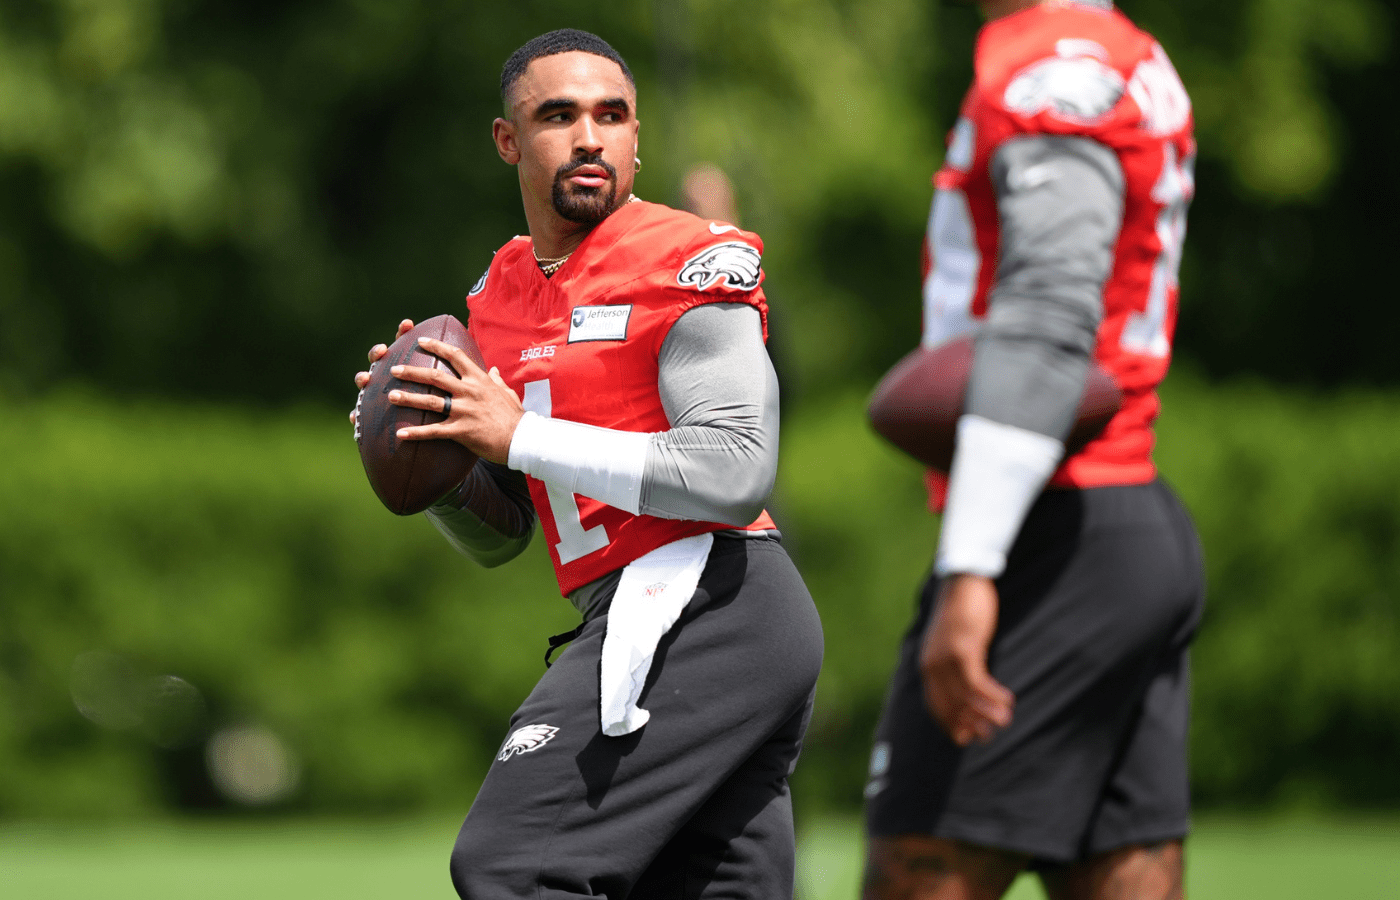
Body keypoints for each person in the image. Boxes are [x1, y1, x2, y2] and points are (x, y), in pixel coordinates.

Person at [351, 28, 822, 898]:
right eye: (558, 115)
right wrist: (435, 458)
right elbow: (510, 532)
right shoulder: (495, 297)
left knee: (512, 862)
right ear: (508, 141)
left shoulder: (687, 258)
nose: (590, 137)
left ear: (638, 136)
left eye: (612, 116)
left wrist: (515, 432)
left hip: (713, 600)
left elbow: (733, 470)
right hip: (631, 604)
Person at [862, 3, 1204, 899]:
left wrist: (972, 566)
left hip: (1053, 529)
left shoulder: (1052, 62)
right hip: (1124, 516)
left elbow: (1053, 311)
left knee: (916, 869)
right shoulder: (1120, 50)